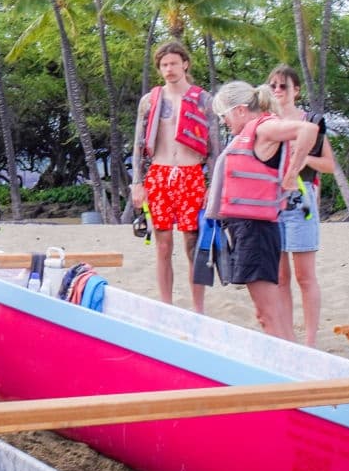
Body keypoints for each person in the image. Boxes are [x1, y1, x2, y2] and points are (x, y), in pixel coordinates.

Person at [208, 81, 318, 341]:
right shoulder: (254, 131)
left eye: (224, 116)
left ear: (241, 110)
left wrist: (293, 173)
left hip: (256, 231)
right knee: (272, 311)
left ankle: (287, 373)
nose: (225, 122)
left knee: (266, 315)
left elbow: (309, 129)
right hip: (251, 230)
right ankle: (291, 361)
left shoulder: (263, 128)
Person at [131, 42, 221, 312]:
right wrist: (137, 182)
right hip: (158, 174)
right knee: (162, 245)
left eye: (173, 63)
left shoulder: (203, 100)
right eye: (164, 65)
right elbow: (137, 143)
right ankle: (166, 306)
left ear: (185, 64)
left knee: (193, 244)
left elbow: (215, 149)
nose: (169, 69)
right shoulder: (150, 100)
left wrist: (212, 185)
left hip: (191, 173)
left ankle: (198, 309)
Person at [266, 64, 333, 347]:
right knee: (280, 276)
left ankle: (310, 340)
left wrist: (305, 160)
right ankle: (288, 338)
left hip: (302, 199)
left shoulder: (312, 122)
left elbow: (329, 165)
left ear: (296, 90)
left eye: (284, 86)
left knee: (305, 275)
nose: (278, 91)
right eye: (274, 86)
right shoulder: (267, 122)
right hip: (271, 200)